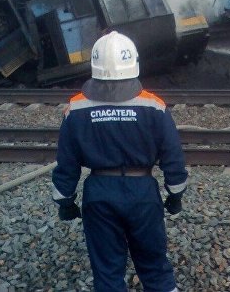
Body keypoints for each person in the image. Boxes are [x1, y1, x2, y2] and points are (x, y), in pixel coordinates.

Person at [51, 31, 187, 292]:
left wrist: (65, 202)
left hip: (99, 196)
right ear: (133, 63)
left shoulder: (76, 108)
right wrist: (175, 195)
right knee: (155, 266)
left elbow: (66, 163)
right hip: (143, 194)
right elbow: (173, 157)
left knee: (107, 272)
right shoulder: (154, 106)